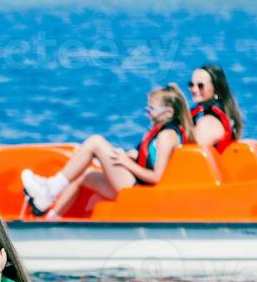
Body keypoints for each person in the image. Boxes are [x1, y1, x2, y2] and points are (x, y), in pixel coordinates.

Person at [20, 84, 191, 219]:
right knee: (83, 174)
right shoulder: (159, 132)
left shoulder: (167, 135)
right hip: (134, 182)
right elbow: (149, 157)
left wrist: (125, 163)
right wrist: (132, 156)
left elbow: (156, 177)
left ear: (169, 112)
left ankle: (49, 191)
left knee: (95, 142)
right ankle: (51, 218)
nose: (148, 113)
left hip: (139, 189)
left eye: (151, 109)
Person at [187, 63, 245, 152]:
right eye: (191, 84)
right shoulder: (214, 115)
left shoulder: (209, 123)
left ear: (216, 88)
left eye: (200, 86)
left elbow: (192, 155)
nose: (194, 89)